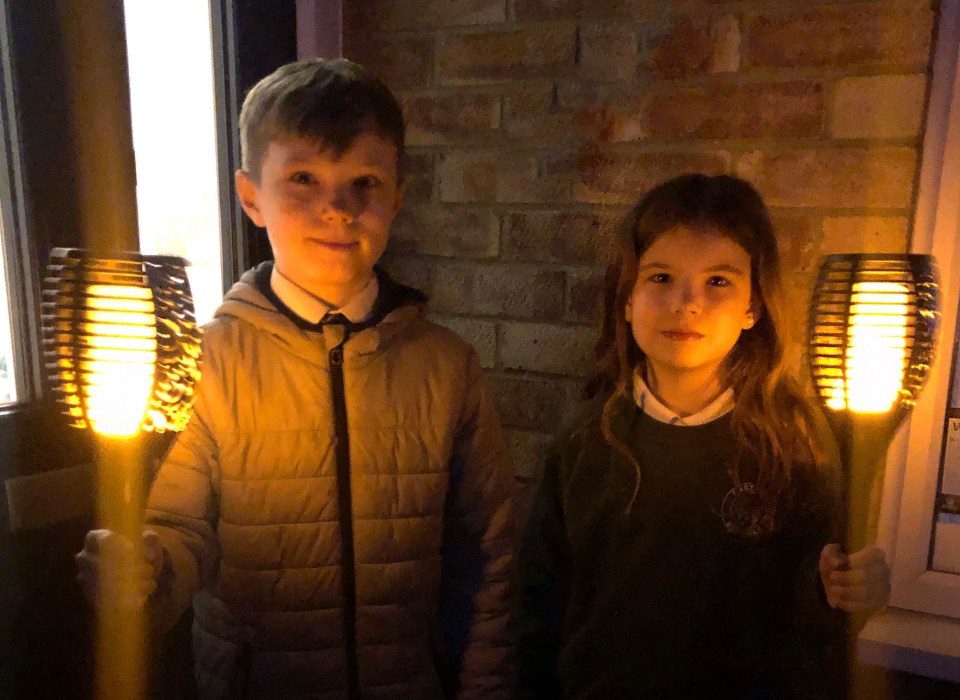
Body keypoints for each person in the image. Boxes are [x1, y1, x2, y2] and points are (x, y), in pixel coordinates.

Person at [76, 58, 516, 700]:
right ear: (252, 196)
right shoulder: (207, 364)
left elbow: (489, 555)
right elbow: (182, 527)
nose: (337, 209)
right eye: (303, 178)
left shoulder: (447, 368)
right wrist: (147, 567)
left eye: (364, 182)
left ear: (398, 193)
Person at [518, 173, 890, 699]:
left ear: (752, 307)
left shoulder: (795, 447)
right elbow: (539, 605)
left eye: (718, 282)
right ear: (626, 298)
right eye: (661, 278)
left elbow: (810, 626)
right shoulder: (584, 443)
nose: (686, 303)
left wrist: (844, 591)